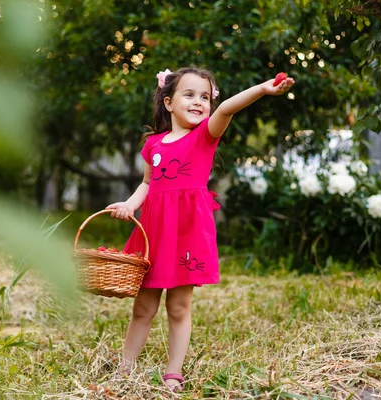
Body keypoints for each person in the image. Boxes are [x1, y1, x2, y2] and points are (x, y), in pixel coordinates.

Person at [106, 66, 294, 392]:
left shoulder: (205, 135)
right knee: (143, 307)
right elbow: (146, 184)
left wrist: (263, 89)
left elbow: (227, 108)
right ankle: (125, 370)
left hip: (187, 232)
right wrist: (129, 204)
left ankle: (173, 374)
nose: (198, 102)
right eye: (189, 95)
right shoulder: (153, 144)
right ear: (168, 103)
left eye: (204, 96)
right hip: (154, 232)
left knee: (178, 307)